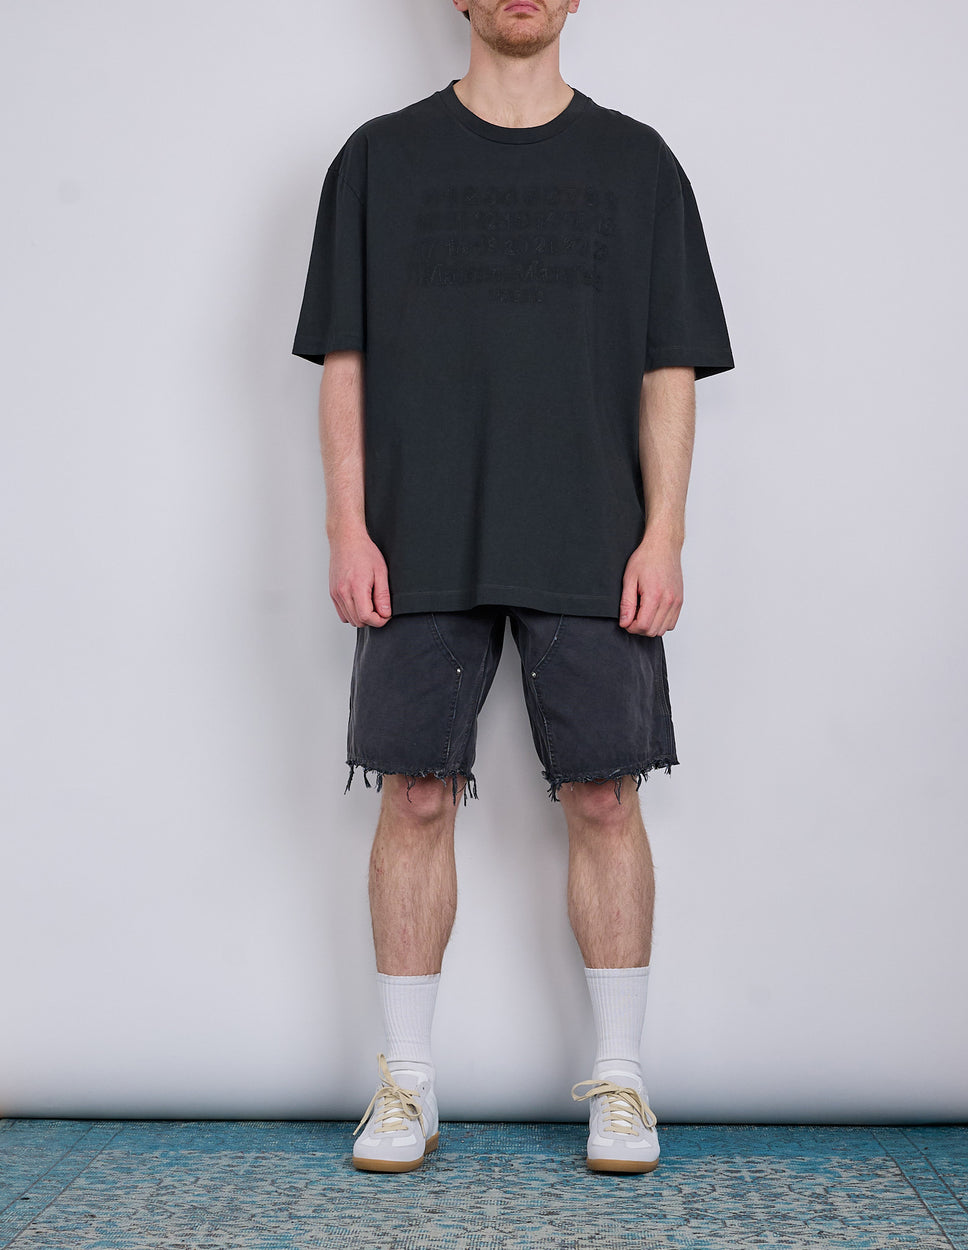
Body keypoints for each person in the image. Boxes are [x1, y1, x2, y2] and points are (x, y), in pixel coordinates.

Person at [292, 0, 734, 1174]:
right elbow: (344, 360)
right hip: (416, 532)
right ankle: (406, 1080)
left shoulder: (638, 165)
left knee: (605, 799)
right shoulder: (378, 160)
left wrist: (664, 534)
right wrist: (346, 524)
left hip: (592, 530)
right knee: (412, 797)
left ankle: (621, 1078)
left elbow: (670, 367)